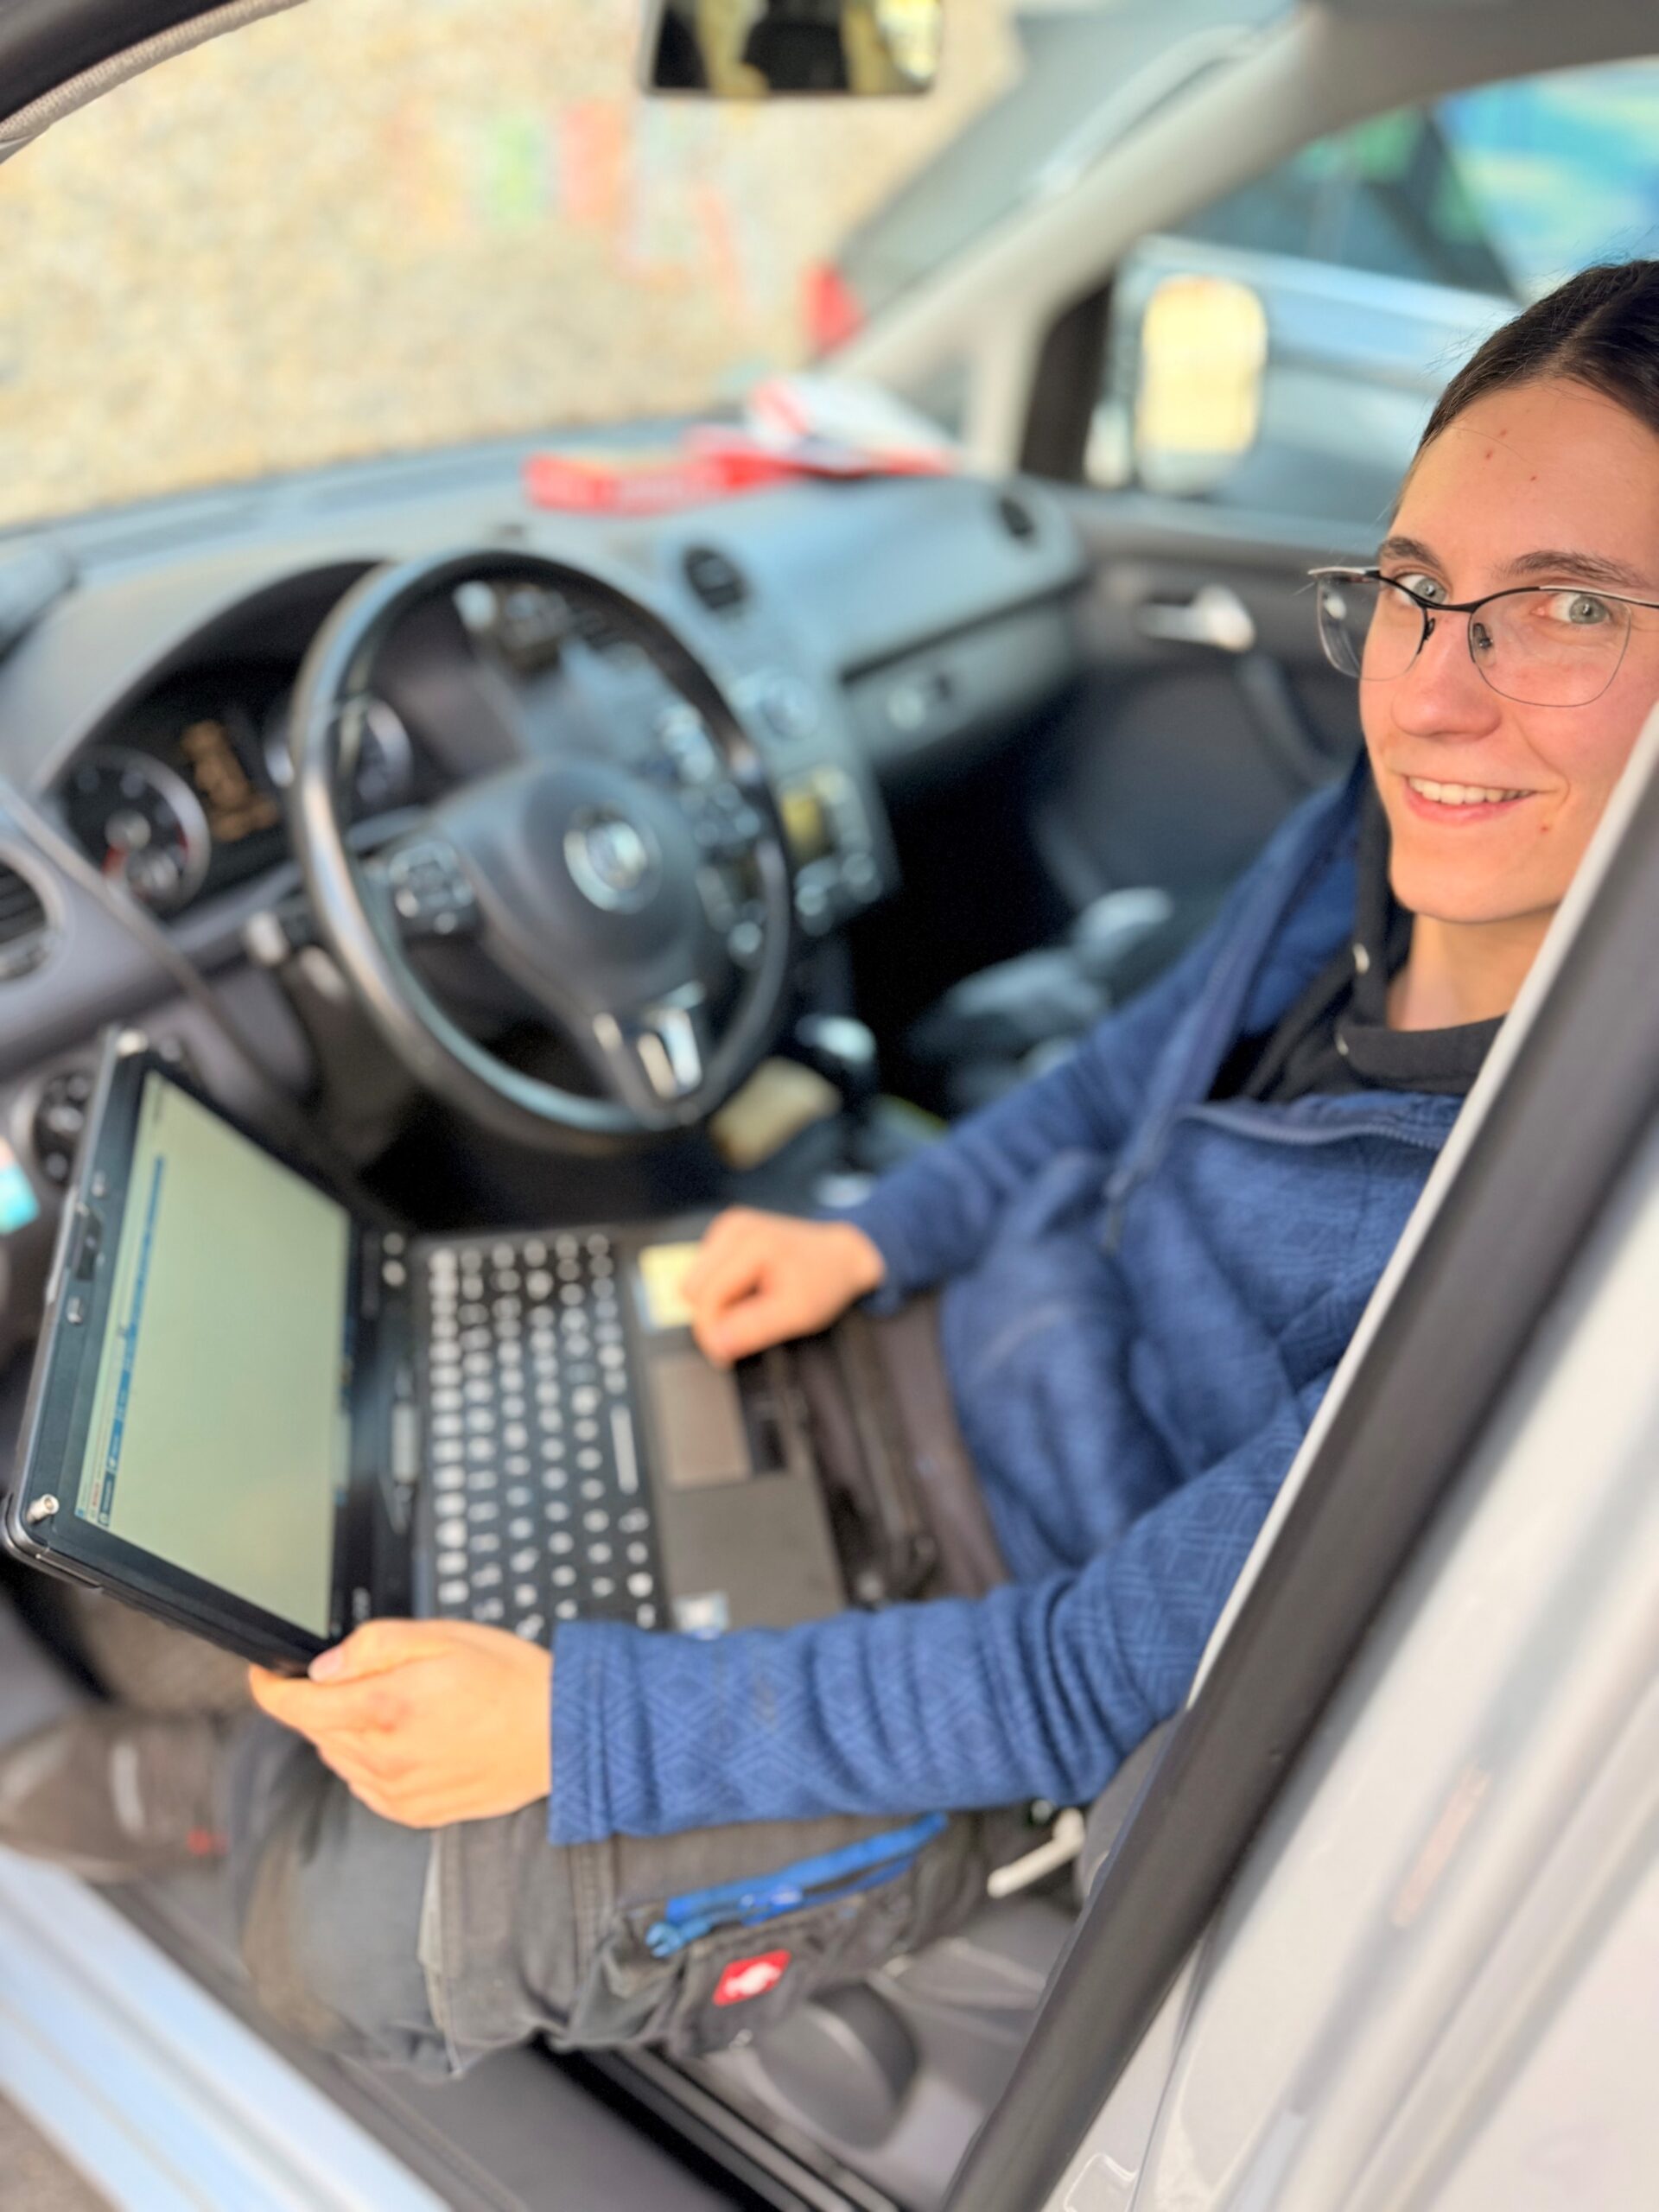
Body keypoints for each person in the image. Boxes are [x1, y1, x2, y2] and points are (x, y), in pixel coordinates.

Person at [3, 259, 1658, 2070]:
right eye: (1414, 590)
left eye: (1566, 606)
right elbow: (1122, 1074)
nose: (1429, 696)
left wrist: (587, 1724)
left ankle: (234, 1793)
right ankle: (295, 1721)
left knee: (348, 1938)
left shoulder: (1554, 1232)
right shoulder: (1373, 833)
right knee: (448, 1410)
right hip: (939, 1341)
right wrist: (870, 1242)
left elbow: (1088, 1670)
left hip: (1003, 1641)